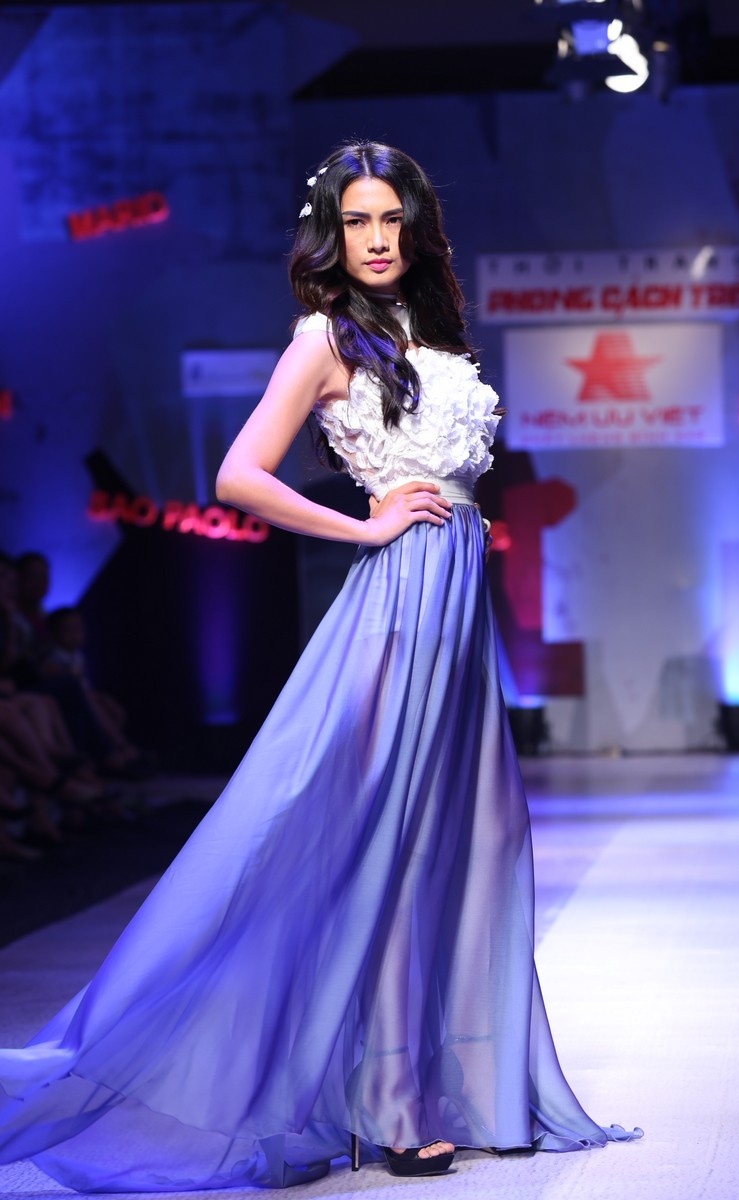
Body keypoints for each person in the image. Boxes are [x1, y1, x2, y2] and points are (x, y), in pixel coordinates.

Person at [0, 141, 641, 1190]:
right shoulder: (323, 337)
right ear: (331, 235)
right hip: (398, 604)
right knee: (389, 844)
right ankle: (391, 1104)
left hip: (455, 608)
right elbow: (237, 476)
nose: (376, 239)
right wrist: (364, 526)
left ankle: (457, 1086)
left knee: (472, 841)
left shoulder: (430, 331)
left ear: (414, 227)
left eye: (390, 218)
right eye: (355, 222)